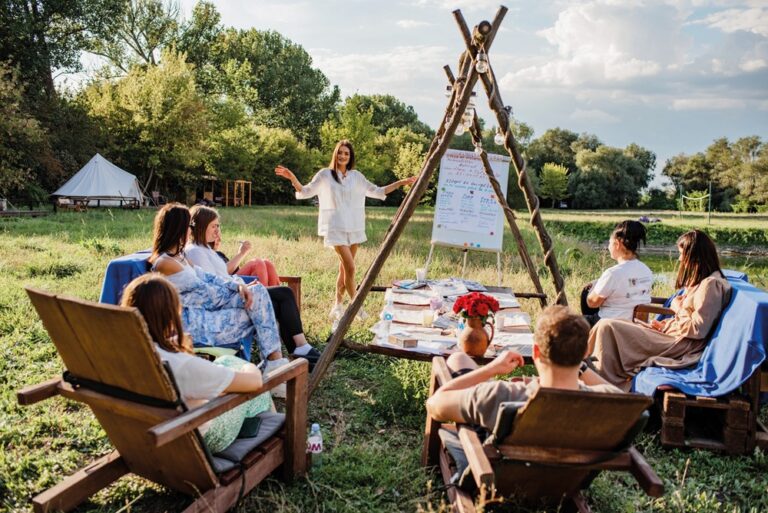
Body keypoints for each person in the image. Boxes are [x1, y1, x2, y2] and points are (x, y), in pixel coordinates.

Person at [148, 203, 293, 395]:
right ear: (178, 228)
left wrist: (238, 285)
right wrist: (240, 292)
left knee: (256, 295)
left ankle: (274, 365)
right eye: (189, 226)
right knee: (257, 303)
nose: (191, 230)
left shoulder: (180, 257)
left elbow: (209, 278)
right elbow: (207, 294)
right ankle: (274, 367)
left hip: (207, 315)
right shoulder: (165, 263)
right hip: (193, 324)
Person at [120, 273, 271, 453]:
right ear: (170, 314)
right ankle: (274, 437)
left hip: (152, 434)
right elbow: (255, 382)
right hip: (201, 437)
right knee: (260, 389)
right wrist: (250, 367)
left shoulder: (126, 355)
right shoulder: (180, 364)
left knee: (225, 361)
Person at [275, 140, 417, 326]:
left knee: (344, 269)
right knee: (350, 268)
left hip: (354, 228)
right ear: (336, 154)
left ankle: (337, 304)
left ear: (350, 157)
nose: (343, 156)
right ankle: (356, 306)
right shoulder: (325, 175)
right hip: (335, 228)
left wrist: (402, 182)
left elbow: (378, 191)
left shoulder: (356, 177)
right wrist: (292, 178)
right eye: (340, 152)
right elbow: (305, 190)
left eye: (346, 154)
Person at [426, 305, 619, 432]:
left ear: (536, 352)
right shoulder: (608, 403)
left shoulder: (501, 396)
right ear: (585, 352)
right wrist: (580, 368)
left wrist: (490, 369)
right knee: (459, 359)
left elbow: (435, 405)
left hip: (497, 474)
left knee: (458, 359)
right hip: (567, 476)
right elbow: (621, 397)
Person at [588, 230, 732, 391]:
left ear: (695, 255)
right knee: (608, 325)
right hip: (671, 333)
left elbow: (698, 329)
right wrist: (665, 325)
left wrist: (677, 308)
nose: (679, 259)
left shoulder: (710, 285)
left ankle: (601, 384)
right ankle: (592, 375)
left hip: (679, 343)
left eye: (682, 254)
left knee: (608, 327)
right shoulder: (703, 281)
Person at [185, 205, 320, 366]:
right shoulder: (195, 252)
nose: (217, 230)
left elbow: (223, 277)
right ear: (201, 226)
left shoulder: (206, 249)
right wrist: (242, 287)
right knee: (284, 293)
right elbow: (213, 284)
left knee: (278, 300)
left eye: (218, 226)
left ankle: (298, 350)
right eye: (213, 226)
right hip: (225, 302)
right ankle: (299, 349)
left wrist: (243, 284)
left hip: (233, 294)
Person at [581, 220, 653, 326]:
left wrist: (591, 290)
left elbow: (592, 303)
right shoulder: (646, 270)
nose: (608, 247)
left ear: (617, 244)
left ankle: (593, 334)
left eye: (609, 243)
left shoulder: (613, 273)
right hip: (637, 324)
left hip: (611, 324)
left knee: (584, 297)